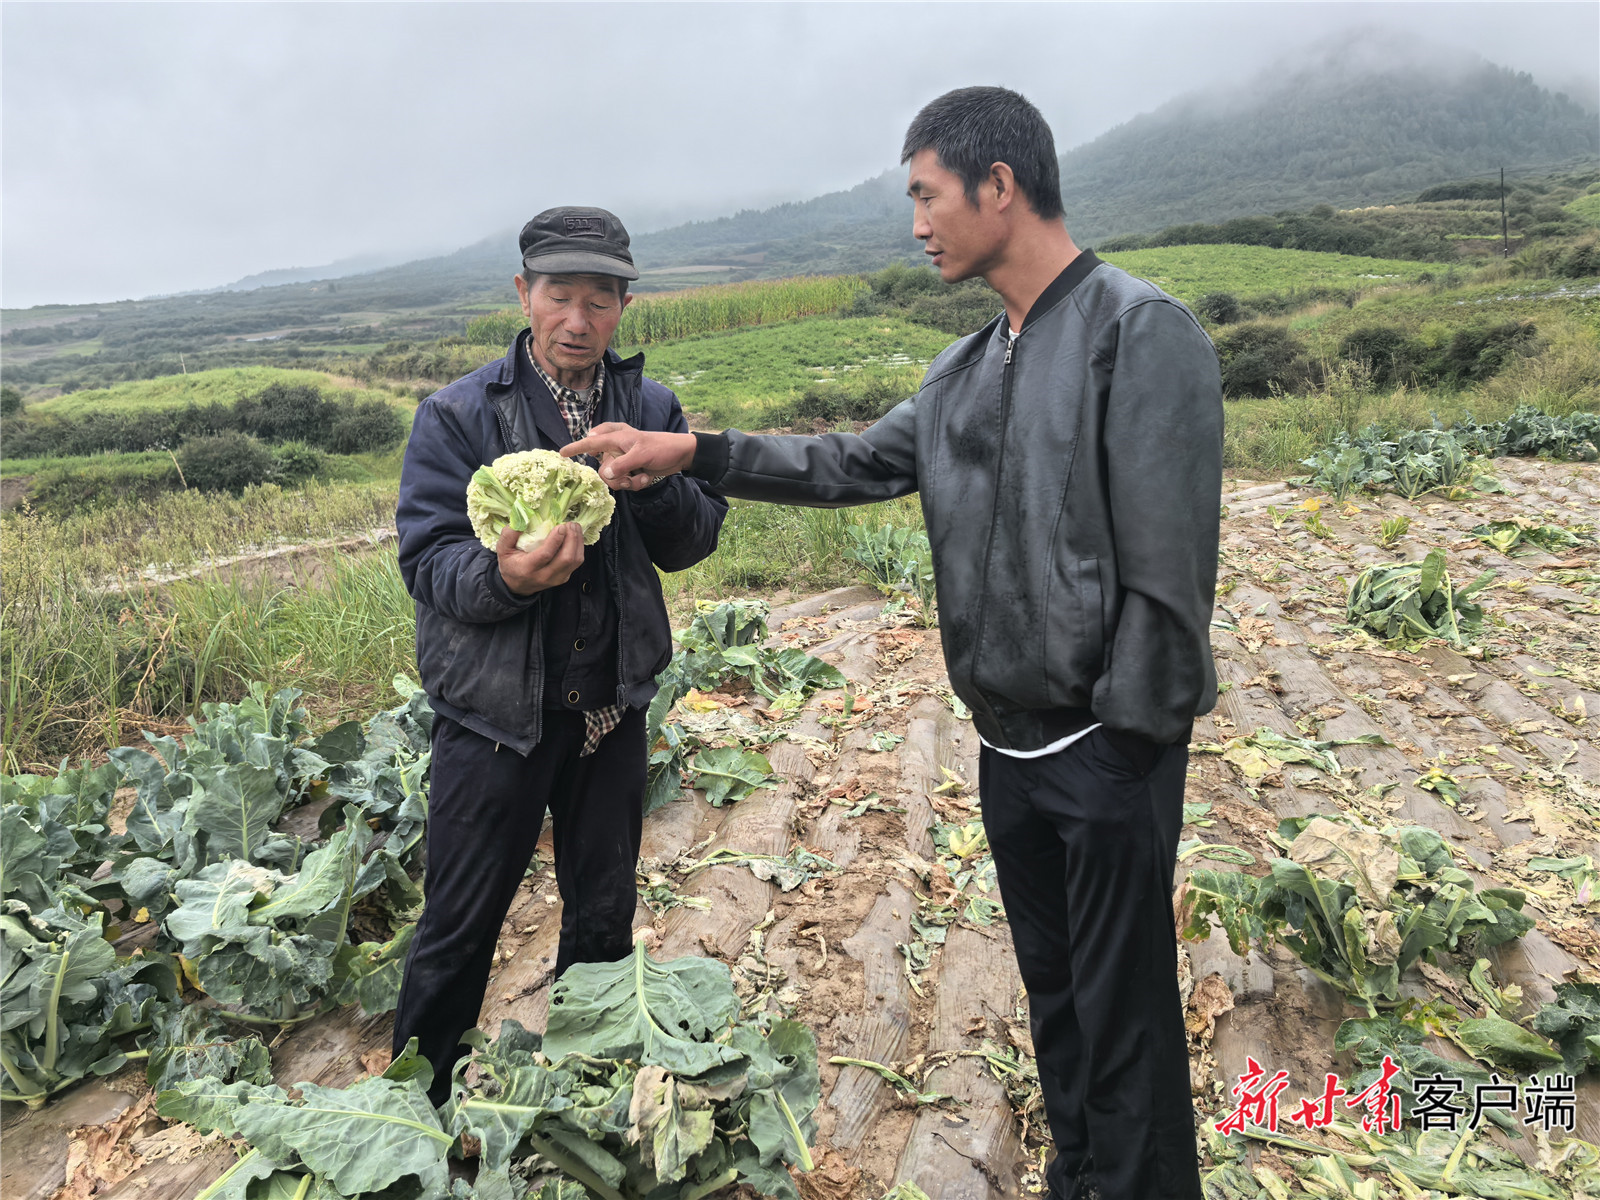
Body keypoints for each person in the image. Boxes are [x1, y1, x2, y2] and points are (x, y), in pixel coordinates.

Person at [564, 89, 1221, 1200]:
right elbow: (852, 463)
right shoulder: (966, 366)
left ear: (996, 186)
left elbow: (1167, 577)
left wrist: (1127, 748)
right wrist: (692, 451)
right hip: (1007, 753)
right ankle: (1079, 1178)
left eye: (926, 195)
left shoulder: (1134, 331)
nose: (916, 223)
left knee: (1128, 1020)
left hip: (1105, 756)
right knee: (1056, 1001)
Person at [391, 206, 727, 1102]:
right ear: (524, 294)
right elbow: (428, 561)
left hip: (610, 708)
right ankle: (419, 1112)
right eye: (560, 296)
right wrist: (510, 580)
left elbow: (694, 541)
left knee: (604, 915)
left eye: (600, 301)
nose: (579, 321)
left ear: (625, 304)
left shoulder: (649, 407)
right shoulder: (460, 414)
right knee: (461, 925)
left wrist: (653, 487)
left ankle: (585, 1095)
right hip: (494, 718)